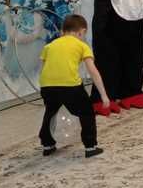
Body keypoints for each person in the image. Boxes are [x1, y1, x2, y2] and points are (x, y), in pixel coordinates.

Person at [38, 14, 108, 158]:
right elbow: (93, 71)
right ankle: (90, 146)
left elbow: (43, 68)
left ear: (62, 31)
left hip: (47, 86)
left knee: (50, 112)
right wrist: (104, 95)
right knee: (86, 112)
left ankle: (47, 144)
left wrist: (46, 86)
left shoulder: (49, 46)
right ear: (82, 32)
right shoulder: (82, 45)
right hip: (70, 86)